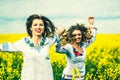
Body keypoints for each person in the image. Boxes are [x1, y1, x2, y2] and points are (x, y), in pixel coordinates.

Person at [0, 14, 65, 80]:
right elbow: (6, 46)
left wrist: (52, 27)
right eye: (35, 25)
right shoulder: (24, 42)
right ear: (30, 28)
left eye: (41, 25)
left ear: (44, 27)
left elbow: (62, 29)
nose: (38, 27)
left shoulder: (48, 41)